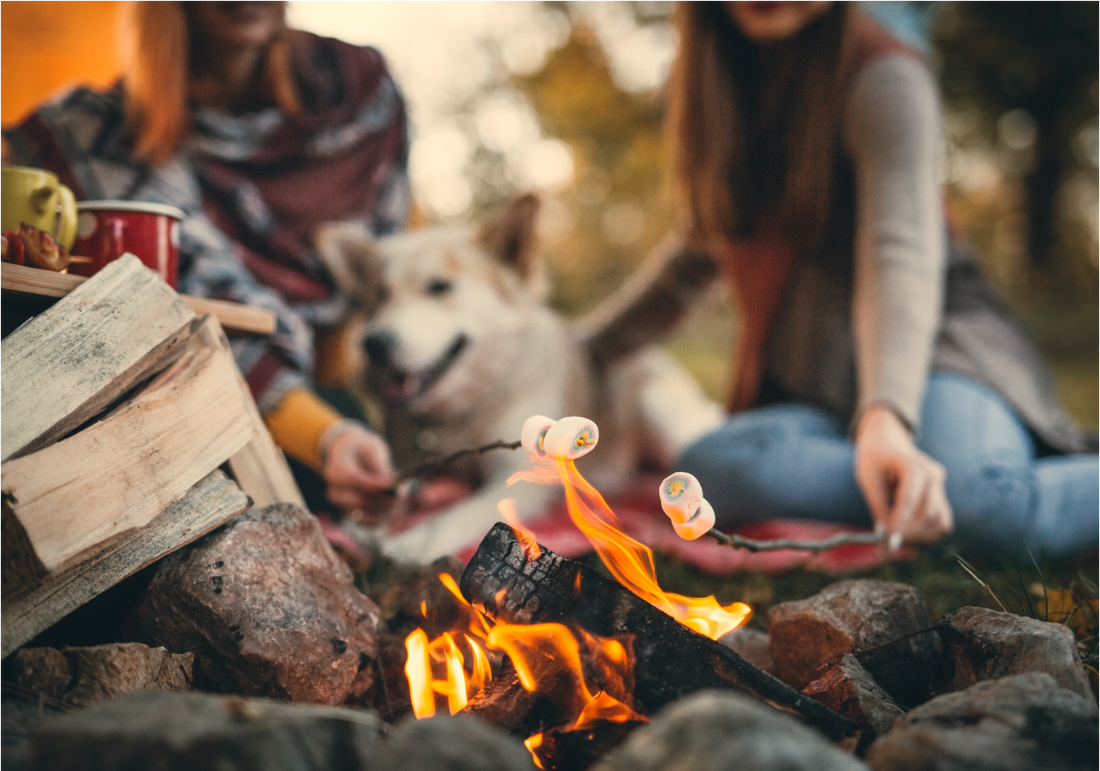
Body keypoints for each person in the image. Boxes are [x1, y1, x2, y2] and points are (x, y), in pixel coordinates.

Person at [583, 0, 1100, 559]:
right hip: (826, 387)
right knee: (705, 474)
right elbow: (689, 263)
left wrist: (886, 415)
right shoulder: (724, 90)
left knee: (981, 508)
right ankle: (918, 485)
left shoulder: (886, 77)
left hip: (940, 357)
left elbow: (897, 250)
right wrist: (577, 350)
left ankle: (959, 482)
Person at [4, 0, 408, 515]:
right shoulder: (101, 135)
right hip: (177, 401)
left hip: (333, 396)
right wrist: (326, 436)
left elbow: (387, 267)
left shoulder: (357, 94)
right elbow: (194, 310)